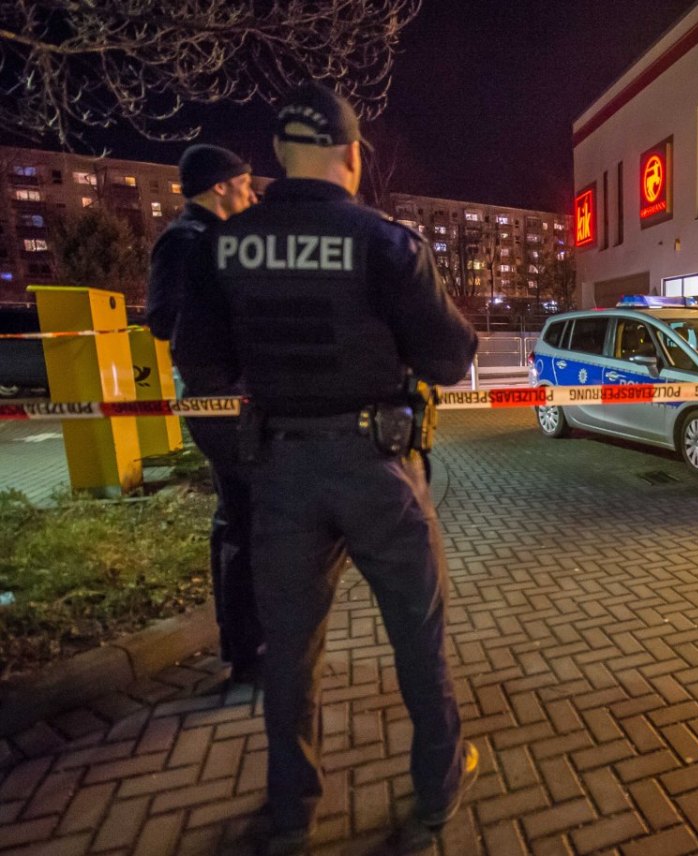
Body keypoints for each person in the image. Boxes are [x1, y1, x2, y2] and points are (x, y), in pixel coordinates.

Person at [173, 82, 479, 855]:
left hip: (278, 471)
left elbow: (199, 364)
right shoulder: (384, 241)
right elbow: (451, 355)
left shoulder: (223, 245)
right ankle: (439, 790)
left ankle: (292, 811)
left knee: (290, 650)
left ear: (278, 156)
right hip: (376, 468)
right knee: (418, 633)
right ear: (350, 156)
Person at [146, 144, 262, 683]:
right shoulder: (186, 242)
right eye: (245, 183)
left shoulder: (212, 240)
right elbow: (162, 319)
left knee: (243, 516)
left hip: (232, 397)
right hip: (220, 403)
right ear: (220, 186)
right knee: (242, 520)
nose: (252, 192)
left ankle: (247, 642)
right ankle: (246, 652)